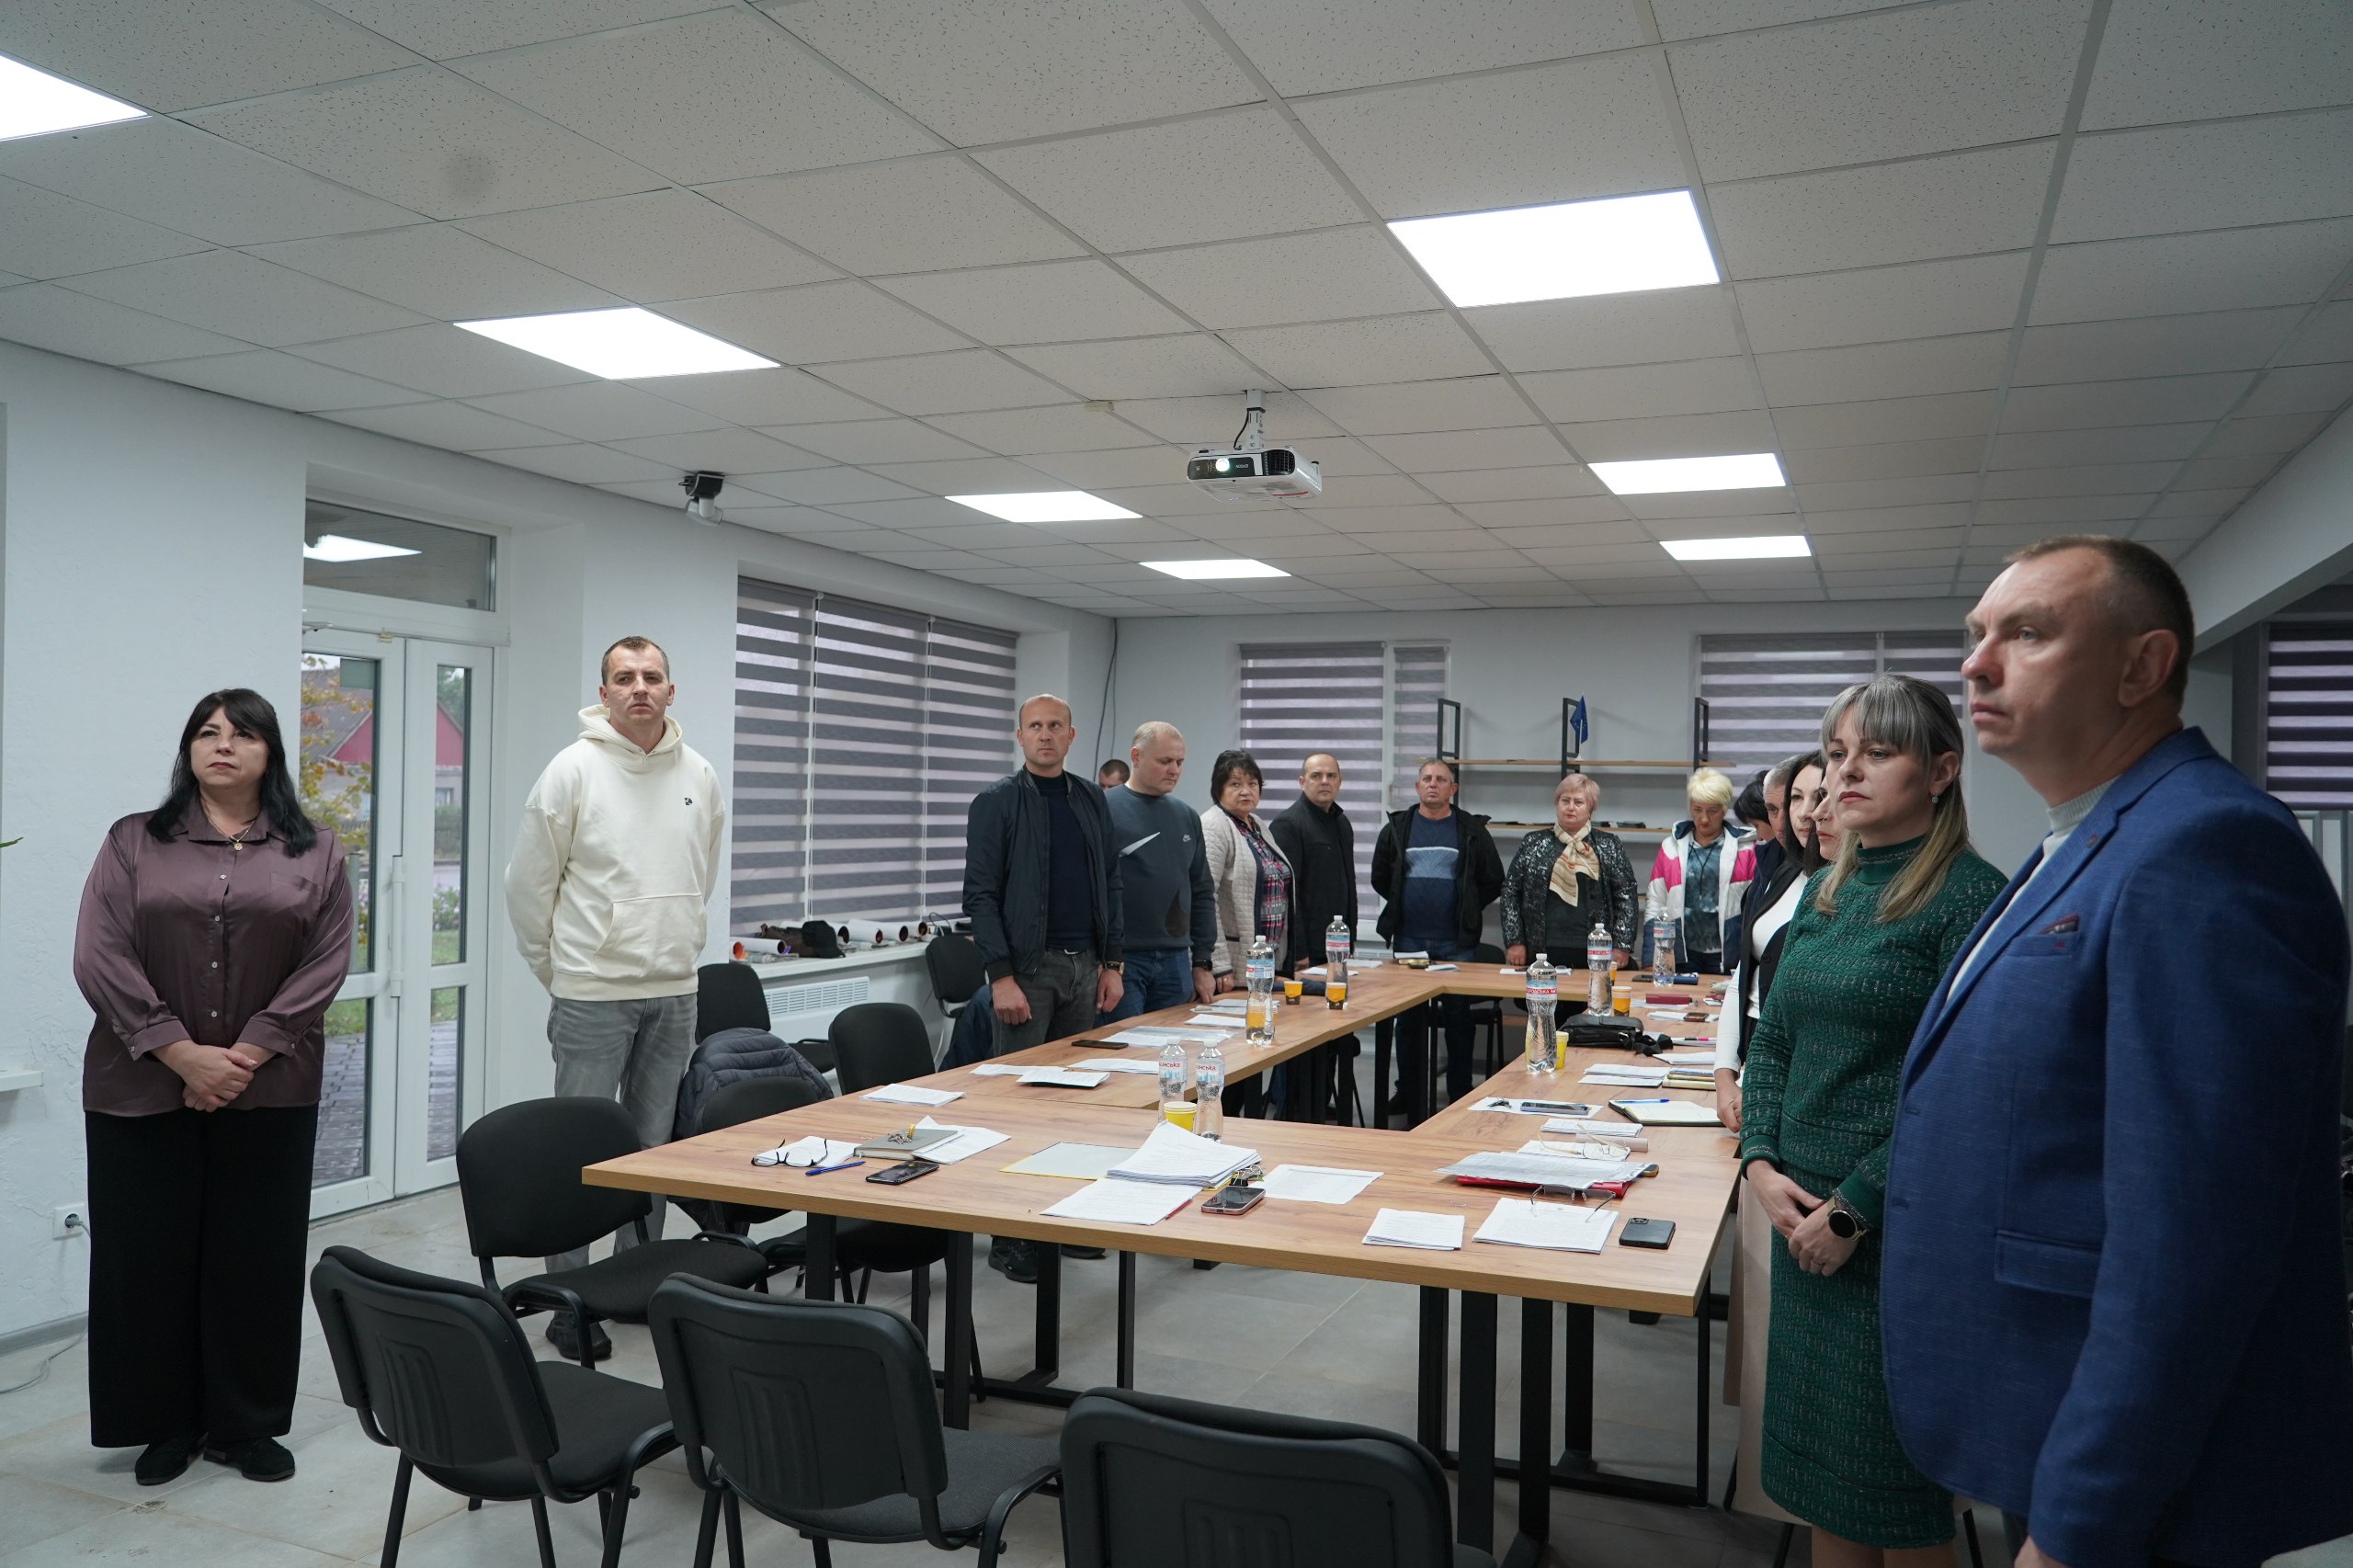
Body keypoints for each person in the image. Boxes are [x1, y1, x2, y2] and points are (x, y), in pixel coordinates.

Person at [1881, 538, 2353, 1568]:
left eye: (2027, 634)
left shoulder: (2205, 847)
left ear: (2143, 667)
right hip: (2045, 1402)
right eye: (1976, 635)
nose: (1974, 664)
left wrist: (2081, 1523)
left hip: (2135, 1477)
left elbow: (2192, 1239)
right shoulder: (2085, 834)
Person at [1737, 675, 2006, 1563]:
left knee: (1897, 1497)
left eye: (1877, 753)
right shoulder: (1830, 889)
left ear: (1941, 771)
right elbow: (1775, 1039)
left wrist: (1854, 1209)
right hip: (1800, 1225)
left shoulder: (1970, 899)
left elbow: (1967, 1091)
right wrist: (1760, 1161)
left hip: (1891, 1239)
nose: (1845, 773)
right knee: (1825, 1489)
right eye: (1838, 753)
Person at [74, 689, 355, 1486]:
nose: (222, 744)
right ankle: (161, 1423)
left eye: (242, 734)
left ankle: (246, 1424)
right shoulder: (134, 841)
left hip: (269, 1088)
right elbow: (99, 952)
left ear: (271, 753)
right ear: (188, 750)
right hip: (138, 1085)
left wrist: (243, 1057)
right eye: (207, 732)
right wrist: (180, 1054)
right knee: (145, 1259)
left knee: (255, 1258)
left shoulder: (317, 851)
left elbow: (326, 964)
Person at [506, 635, 725, 1357]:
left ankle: (639, 1282)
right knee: (580, 1152)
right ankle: (568, 1301)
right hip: (592, 993)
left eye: (651, 676)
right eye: (624, 677)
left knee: (652, 1151)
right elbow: (528, 886)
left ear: (670, 690)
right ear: (603, 694)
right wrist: (560, 971)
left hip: (674, 989)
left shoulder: (700, 774)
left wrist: (677, 944)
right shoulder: (572, 771)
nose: (639, 688)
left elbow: (700, 873)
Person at [963, 693, 1123, 1283]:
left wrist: (1113, 963)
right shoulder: (997, 802)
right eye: (1035, 726)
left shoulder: (1089, 798)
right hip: (1028, 973)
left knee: (1072, 1107)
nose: (1046, 735)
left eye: (1056, 725)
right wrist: (1000, 976)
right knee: (1020, 1105)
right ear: (1020, 736)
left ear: (1072, 735)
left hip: (1086, 968)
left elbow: (1111, 881)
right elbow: (980, 894)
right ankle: (1011, 1236)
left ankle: (1059, 1221)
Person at [1371, 759, 1504, 1103]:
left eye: (1441, 779)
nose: (1433, 784)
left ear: (1453, 789)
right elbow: (1380, 876)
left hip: (1456, 941)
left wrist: (1467, 905)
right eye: (1427, 779)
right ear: (1417, 787)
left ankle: (1460, 1091)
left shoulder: (1471, 829)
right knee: (1408, 1019)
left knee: (1458, 1017)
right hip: (1409, 938)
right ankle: (1407, 1090)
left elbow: (1493, 879)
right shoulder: (1398, 827)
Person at [1717, 753, 1824, 1131]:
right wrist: (1724, 1074)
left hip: (1801, 1086)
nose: (1804, 813)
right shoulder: (1785, 871)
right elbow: (1745, 975)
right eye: (1795, 799)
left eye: (1820, 796)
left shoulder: (1849, 887)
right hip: (1757, 1067)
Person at [1102, 722, 1215, 1019]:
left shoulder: (1187, 816)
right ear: (1136, 757)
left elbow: (1202, 891)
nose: (1174, 770)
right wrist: (1105, 963)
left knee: (1174, 1045)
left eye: (1179, 762)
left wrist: (1202, 961)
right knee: (1124, 1045)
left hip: (1176, 959)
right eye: (1165, 761)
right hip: (1122, 960)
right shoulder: (1103, 809)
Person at [1499, 772, 1637, 971]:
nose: (1571, 807)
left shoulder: (1609, 845)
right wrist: (1514, 941)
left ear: (1590, 808)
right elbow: (1510, 892)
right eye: (1565, 800)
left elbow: (1626, 896)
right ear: (1557, 804)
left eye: (1578, 802)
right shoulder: (1533, 843)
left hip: (1595, 950)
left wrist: (1622, 946)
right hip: (1541, 948)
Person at [1644, 767, 1756, 973]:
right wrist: (1652, 955)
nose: (1704, 818)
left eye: (1712, 811)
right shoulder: (1670, 848)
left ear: (1724, 809)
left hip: (1728, 954)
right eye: (1697, 810)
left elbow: (1755, 907)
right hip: (1680, 951)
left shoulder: (1746, 849)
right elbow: (1656, 903)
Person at [1199, 749, 1294, 988]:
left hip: (1268, 958)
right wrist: (1218, 963)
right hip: (1233, 964)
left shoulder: (1257, 824)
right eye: (1235, 784)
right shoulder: (1213, 826)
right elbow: (1205, 899)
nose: (1246, 791)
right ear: (1218, 788)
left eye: (1252, 784)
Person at [1268, 752, 1358, 974]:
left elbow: (1349, 885)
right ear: (1302, 782)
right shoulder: (1288, 824)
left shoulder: (1342, 823)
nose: (1325, 781)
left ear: (1340, 782)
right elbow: (1286, 893)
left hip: (1338, 943)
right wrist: (1299, 949)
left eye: (1331, 776)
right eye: (1316, 775)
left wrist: (1350, 940)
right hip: (1307, 950)